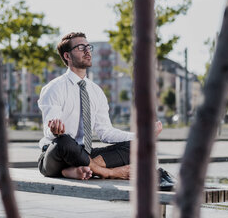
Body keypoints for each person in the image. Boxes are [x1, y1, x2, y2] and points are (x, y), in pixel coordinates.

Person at [37, 32, 174, 189]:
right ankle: (111, 172)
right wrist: (54, 130)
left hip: (85, 154)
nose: (87, 51)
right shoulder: (54, 88)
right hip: (55, 156)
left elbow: (105, 132)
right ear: (67, 56)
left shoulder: (96, 91)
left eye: (88, 47)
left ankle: (78, 169)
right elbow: (50, 133)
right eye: (80, 47)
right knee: (64, 140)